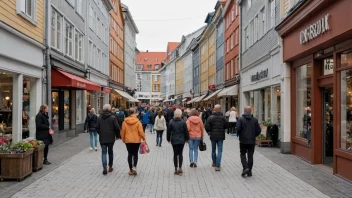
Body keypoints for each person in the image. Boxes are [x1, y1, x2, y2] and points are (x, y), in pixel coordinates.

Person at [236, 106, 261, 177]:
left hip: (243, 140)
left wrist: (240, 134)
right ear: (250, 111)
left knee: (243, 154)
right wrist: (254, 135)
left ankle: (245, 167)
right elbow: (258, 130)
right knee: (250, 155)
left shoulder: (240, 119)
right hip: (252, 141)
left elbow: (238, 128)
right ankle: (249, 171)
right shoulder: (255, 120)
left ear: (244, 111)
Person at [120, 108, 146, 175]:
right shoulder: (138, 122)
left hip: (128, 140)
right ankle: (134, 168)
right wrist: (144, 138)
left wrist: (123, 139)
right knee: (135, 154)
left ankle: (130, 169)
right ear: (134, 113)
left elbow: (123, 132)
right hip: (136, 140)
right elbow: (141, 132)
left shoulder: (125, 122)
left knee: (129, 154)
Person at [96, 104, 120, 175]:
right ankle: (110, 166)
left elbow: (96, 127)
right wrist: (117, 136)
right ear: (109, 109)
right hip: (111, 138)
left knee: (103, 152)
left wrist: (100, 133)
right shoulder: (113, 117)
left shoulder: (99, 117)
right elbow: (117, 127)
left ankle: (104, 167)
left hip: (102, 138)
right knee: (110, 152)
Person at [205, 104, 229, 171]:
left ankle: (214, 163)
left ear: (214, 109)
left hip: (213, 136)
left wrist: (209, 132)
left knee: (213, 150)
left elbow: (206, 126)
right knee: (220, 150)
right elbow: (226, 125)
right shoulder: (223, 117)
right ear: (220, 109)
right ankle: (218, 166)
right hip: (221, 136)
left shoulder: (210, 117)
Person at [167, 109, 189, 176]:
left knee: (175, 154)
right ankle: (180, 167)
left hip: (174, 140)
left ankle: (176, 169)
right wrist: (187, 139)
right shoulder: (183, 122)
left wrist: (168, 139)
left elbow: (168, 131)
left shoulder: (171, 122)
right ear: (180, 114)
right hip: (181, 140)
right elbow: (186, 132)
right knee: (180, 154)